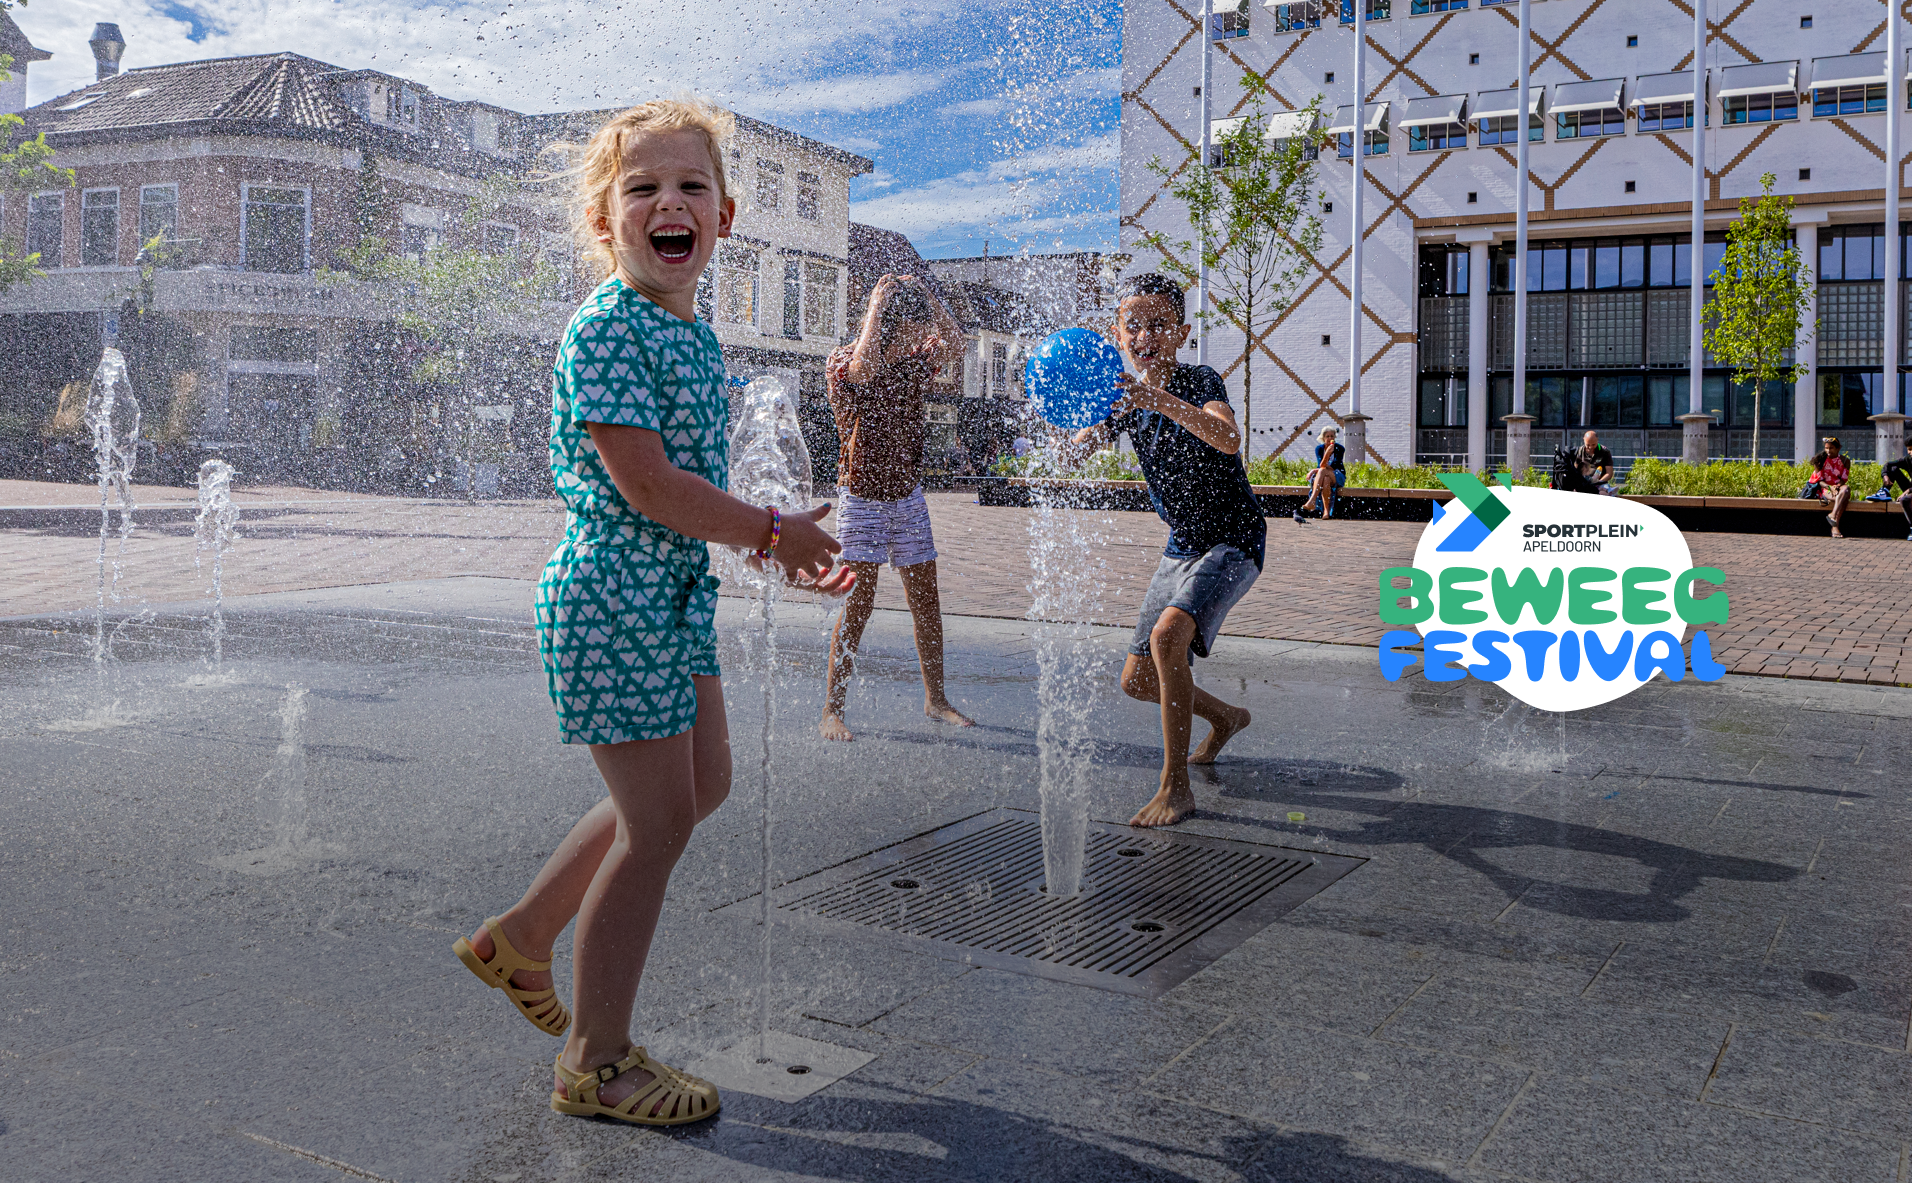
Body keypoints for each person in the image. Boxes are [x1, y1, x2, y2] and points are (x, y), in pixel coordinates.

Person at [452, 99, 852, 1129]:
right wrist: (769, 531)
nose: (667, 202)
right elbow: (648, 485)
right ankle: (596, 1059)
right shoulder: (607, 329)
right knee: (659, 820)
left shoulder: (690, 326)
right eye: (642, 188)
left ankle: (525, 933)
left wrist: (768, 529)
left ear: (724, 218)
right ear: (604, 223)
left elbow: (687, 490)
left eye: (689, 188)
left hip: (667, 597)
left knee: (697, 786)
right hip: (610, 598)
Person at [1068, 272, 1262, 828]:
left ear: (1179, 333)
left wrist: (1160, 399)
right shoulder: (1124, 401)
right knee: (1137, 680)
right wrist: (1072, 432)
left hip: (1232, 538)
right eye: (1136, 326)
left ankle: (1176, 788)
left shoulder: (1200, 381)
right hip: (1182, 544)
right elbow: (1080, 445)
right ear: (1119, 335)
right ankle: (1225, 718)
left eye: (1159, 325)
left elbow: (1226, 437)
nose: (1147, 334)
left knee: (1167, 638)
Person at [819, 273, 977, 741]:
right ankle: (833, 709)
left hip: (907, 498)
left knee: (926, 604)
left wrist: (930, 293)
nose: (920, 336)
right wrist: (876, 303)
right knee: (859, 605)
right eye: (913, 325)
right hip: (862, 499)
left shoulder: (913, 364)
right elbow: (864, 370)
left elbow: (956, 345)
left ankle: (936, 699)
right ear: (889, 323)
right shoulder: (844, 360)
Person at [1295, 426, 1345, 522]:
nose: (1330, 438)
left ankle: (1312, 500)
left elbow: (1333, 466)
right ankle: (1326, 511)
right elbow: (1321, 465)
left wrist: (1316, 469)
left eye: (1332, 436)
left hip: (1338, 475)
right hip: (1326, 476)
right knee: (1325, 479)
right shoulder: (1319, 449)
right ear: (1323, 438)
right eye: (1327, 436)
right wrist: (1325, 455)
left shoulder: (1340, 449)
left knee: (1322, 471)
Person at [1807, 436, 1851, 539]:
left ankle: (1833, 515)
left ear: (1838, 448)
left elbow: (1843, 479)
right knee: (1843, 498)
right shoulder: (1819, 460)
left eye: (1831, 448)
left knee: (1846, 489)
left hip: (1838, 488)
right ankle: (1835, 527)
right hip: (1825, 488)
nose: (1828, 451)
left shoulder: (1845, 461)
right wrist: (1830, 487)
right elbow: (1820, 481)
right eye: (1826, 448)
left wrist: (1837, 486)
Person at [1878, 439, 1912, 539]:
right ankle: (1884, 491)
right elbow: (1888, 464)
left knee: (1905, 500)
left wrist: (1907, 491)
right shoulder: (1908, 460)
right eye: (1908, 450)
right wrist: (1885, 476)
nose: (1909, 452)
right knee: (1893, 469)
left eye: (1911, 449)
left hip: (1910, 490)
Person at [1575, 430, 1615, 495]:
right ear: (1584, 440)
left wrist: (1598, 482)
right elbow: (1575, 470)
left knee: (1603, 493)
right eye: (1588, 445)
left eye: (1593, 444)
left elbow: (1609, 473)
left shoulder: (1605, 452)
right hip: (1584, 482)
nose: (1590, 447)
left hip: (1600, 482)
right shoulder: (1579, 451)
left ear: (1597, 440)